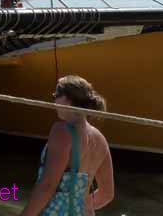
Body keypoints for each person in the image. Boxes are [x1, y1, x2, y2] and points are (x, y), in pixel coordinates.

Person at [20, 76, 114, 216]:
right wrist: (83, 204)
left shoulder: (62, 131)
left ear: (68, 100)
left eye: (56, 95)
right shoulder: (100, 139)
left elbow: (47, 185)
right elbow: (107, 193)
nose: (54, 100)